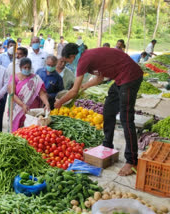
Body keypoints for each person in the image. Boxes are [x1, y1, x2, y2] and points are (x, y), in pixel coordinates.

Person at [54, 43, 143, 176]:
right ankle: (107, 146)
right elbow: (99, 78)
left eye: (67, 61)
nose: (68, 64)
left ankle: (131, 160)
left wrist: (60, 102)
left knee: (126, 118)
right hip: (120, 79)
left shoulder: (83, 59)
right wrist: (84, 86)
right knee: (108, 111)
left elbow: (73, 91)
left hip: (130, 77)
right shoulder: (86, 57)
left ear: (72, 56)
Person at [8, 58, 50, 132]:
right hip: (18, 108)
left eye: (29, 67)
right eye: (25, 67)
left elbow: (42, 93)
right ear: (20, 67)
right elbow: (12, 94)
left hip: (31, 110)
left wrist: (46, 103)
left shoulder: (36, 79)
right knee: (17, 130)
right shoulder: (14, 77)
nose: (27, 69)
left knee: (30, 131)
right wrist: (22, 105)